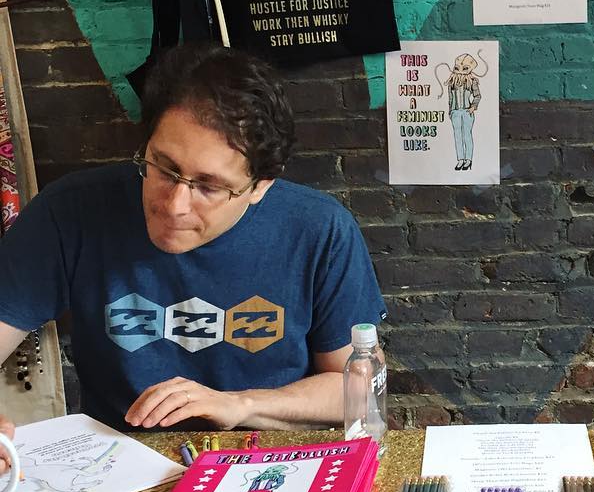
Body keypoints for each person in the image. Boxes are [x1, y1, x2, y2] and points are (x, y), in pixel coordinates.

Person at [0, 45, 385, 433]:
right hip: (119, 460)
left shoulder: (319, 230)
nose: (175, 205)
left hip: (268, 456)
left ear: (260, 186)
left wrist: (239, 405)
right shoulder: (70, 212)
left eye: (208, 187)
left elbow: (357, 387)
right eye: (164, 169)